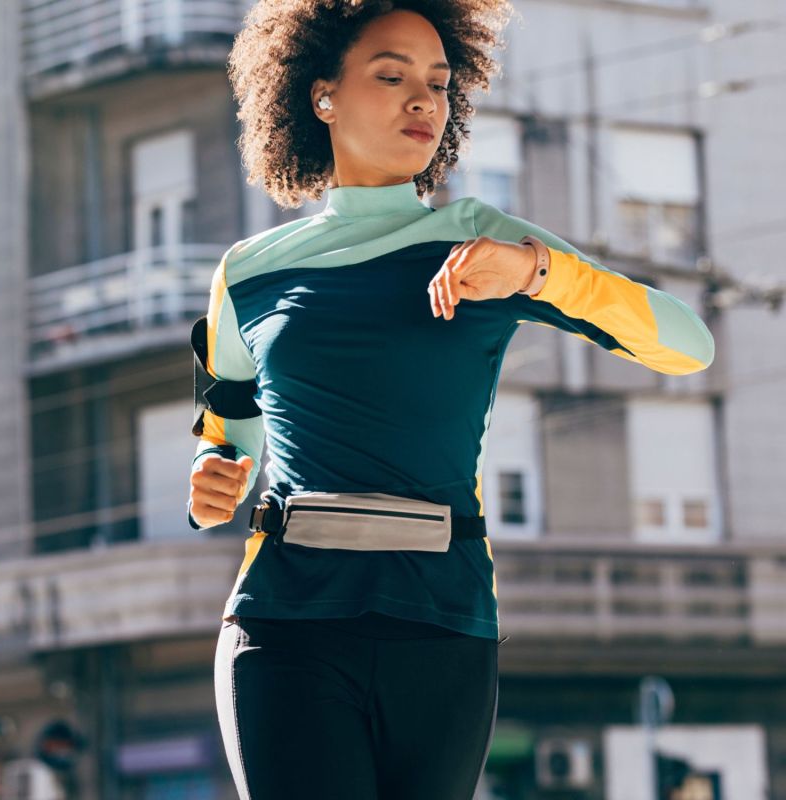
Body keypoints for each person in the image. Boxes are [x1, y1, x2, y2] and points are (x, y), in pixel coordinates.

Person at [186, 2, 715, 798]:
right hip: (283, 621)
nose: (422, 101)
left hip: (441, 620)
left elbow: (689, 344)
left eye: (437, 83)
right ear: (321, 94)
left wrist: (537, 273)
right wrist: (210, 479)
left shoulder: (482, 238)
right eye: (391, 76)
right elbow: (230, 437)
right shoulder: (249, 272)